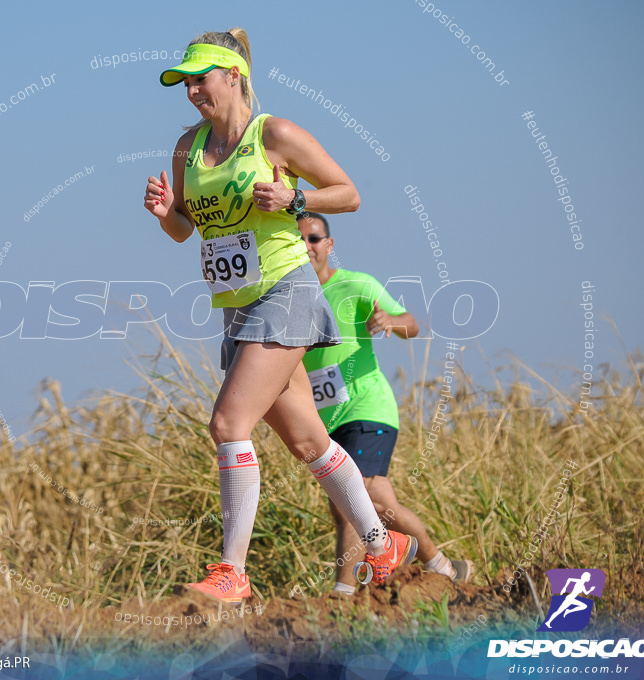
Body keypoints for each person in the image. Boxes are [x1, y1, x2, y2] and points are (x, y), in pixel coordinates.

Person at [143, 28, 416, 603]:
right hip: (237, 307)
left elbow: (347, 193)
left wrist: (295, 200)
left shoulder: (276, 134)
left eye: (201, 78)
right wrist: (167, 212)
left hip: (286, 293)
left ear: (233, 75)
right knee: (309, 441)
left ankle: (232, 573)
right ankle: (381, 543)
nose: (192, 90)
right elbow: (184, 230)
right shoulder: (187, 147)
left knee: (227, 425)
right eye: (184, 82)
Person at [297, 211, 473, 594]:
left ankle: (342, 595)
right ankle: (436, 569)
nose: (306, 246)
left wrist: (390, 322)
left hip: (367, 407)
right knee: (377, 508)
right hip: (326, 420)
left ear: (328, 245)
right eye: (299, 240)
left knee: (355, 494)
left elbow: (411, 322)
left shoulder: (355, 285)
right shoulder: (291, 298)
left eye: (313, 238)